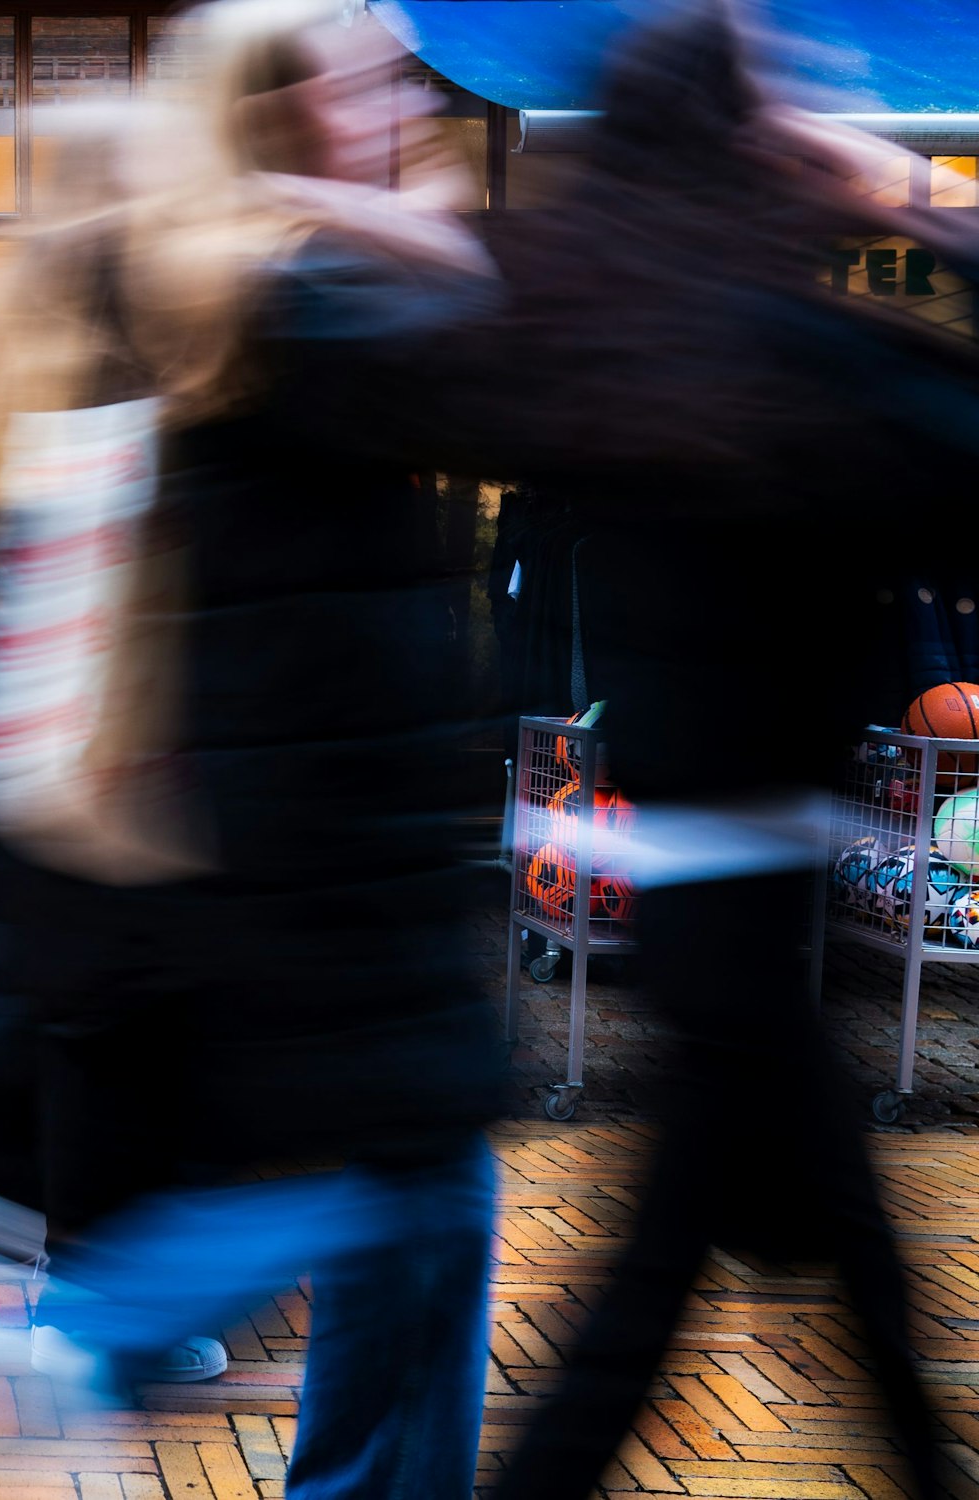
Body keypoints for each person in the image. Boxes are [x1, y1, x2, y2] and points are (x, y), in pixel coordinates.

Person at [0, 2, 508, 1487]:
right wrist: (410, 221)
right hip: (328, 852)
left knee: (412, 1196)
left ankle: (108, 1320)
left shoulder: (188, 296)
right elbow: (517, 355)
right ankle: (103, 1323)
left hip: (276, 849)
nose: (407, 101)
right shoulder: (291, 301)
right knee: (419, 1194)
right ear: (275, 116)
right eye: (370, 78)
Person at [475, 11, 979, 1498]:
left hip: (706, 880)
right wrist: (912, 207)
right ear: (748, 146)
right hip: (749, 896)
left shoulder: (637, 345)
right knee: (681, 1300)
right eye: (791, 98)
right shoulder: (784, 359)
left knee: (704, 1284)